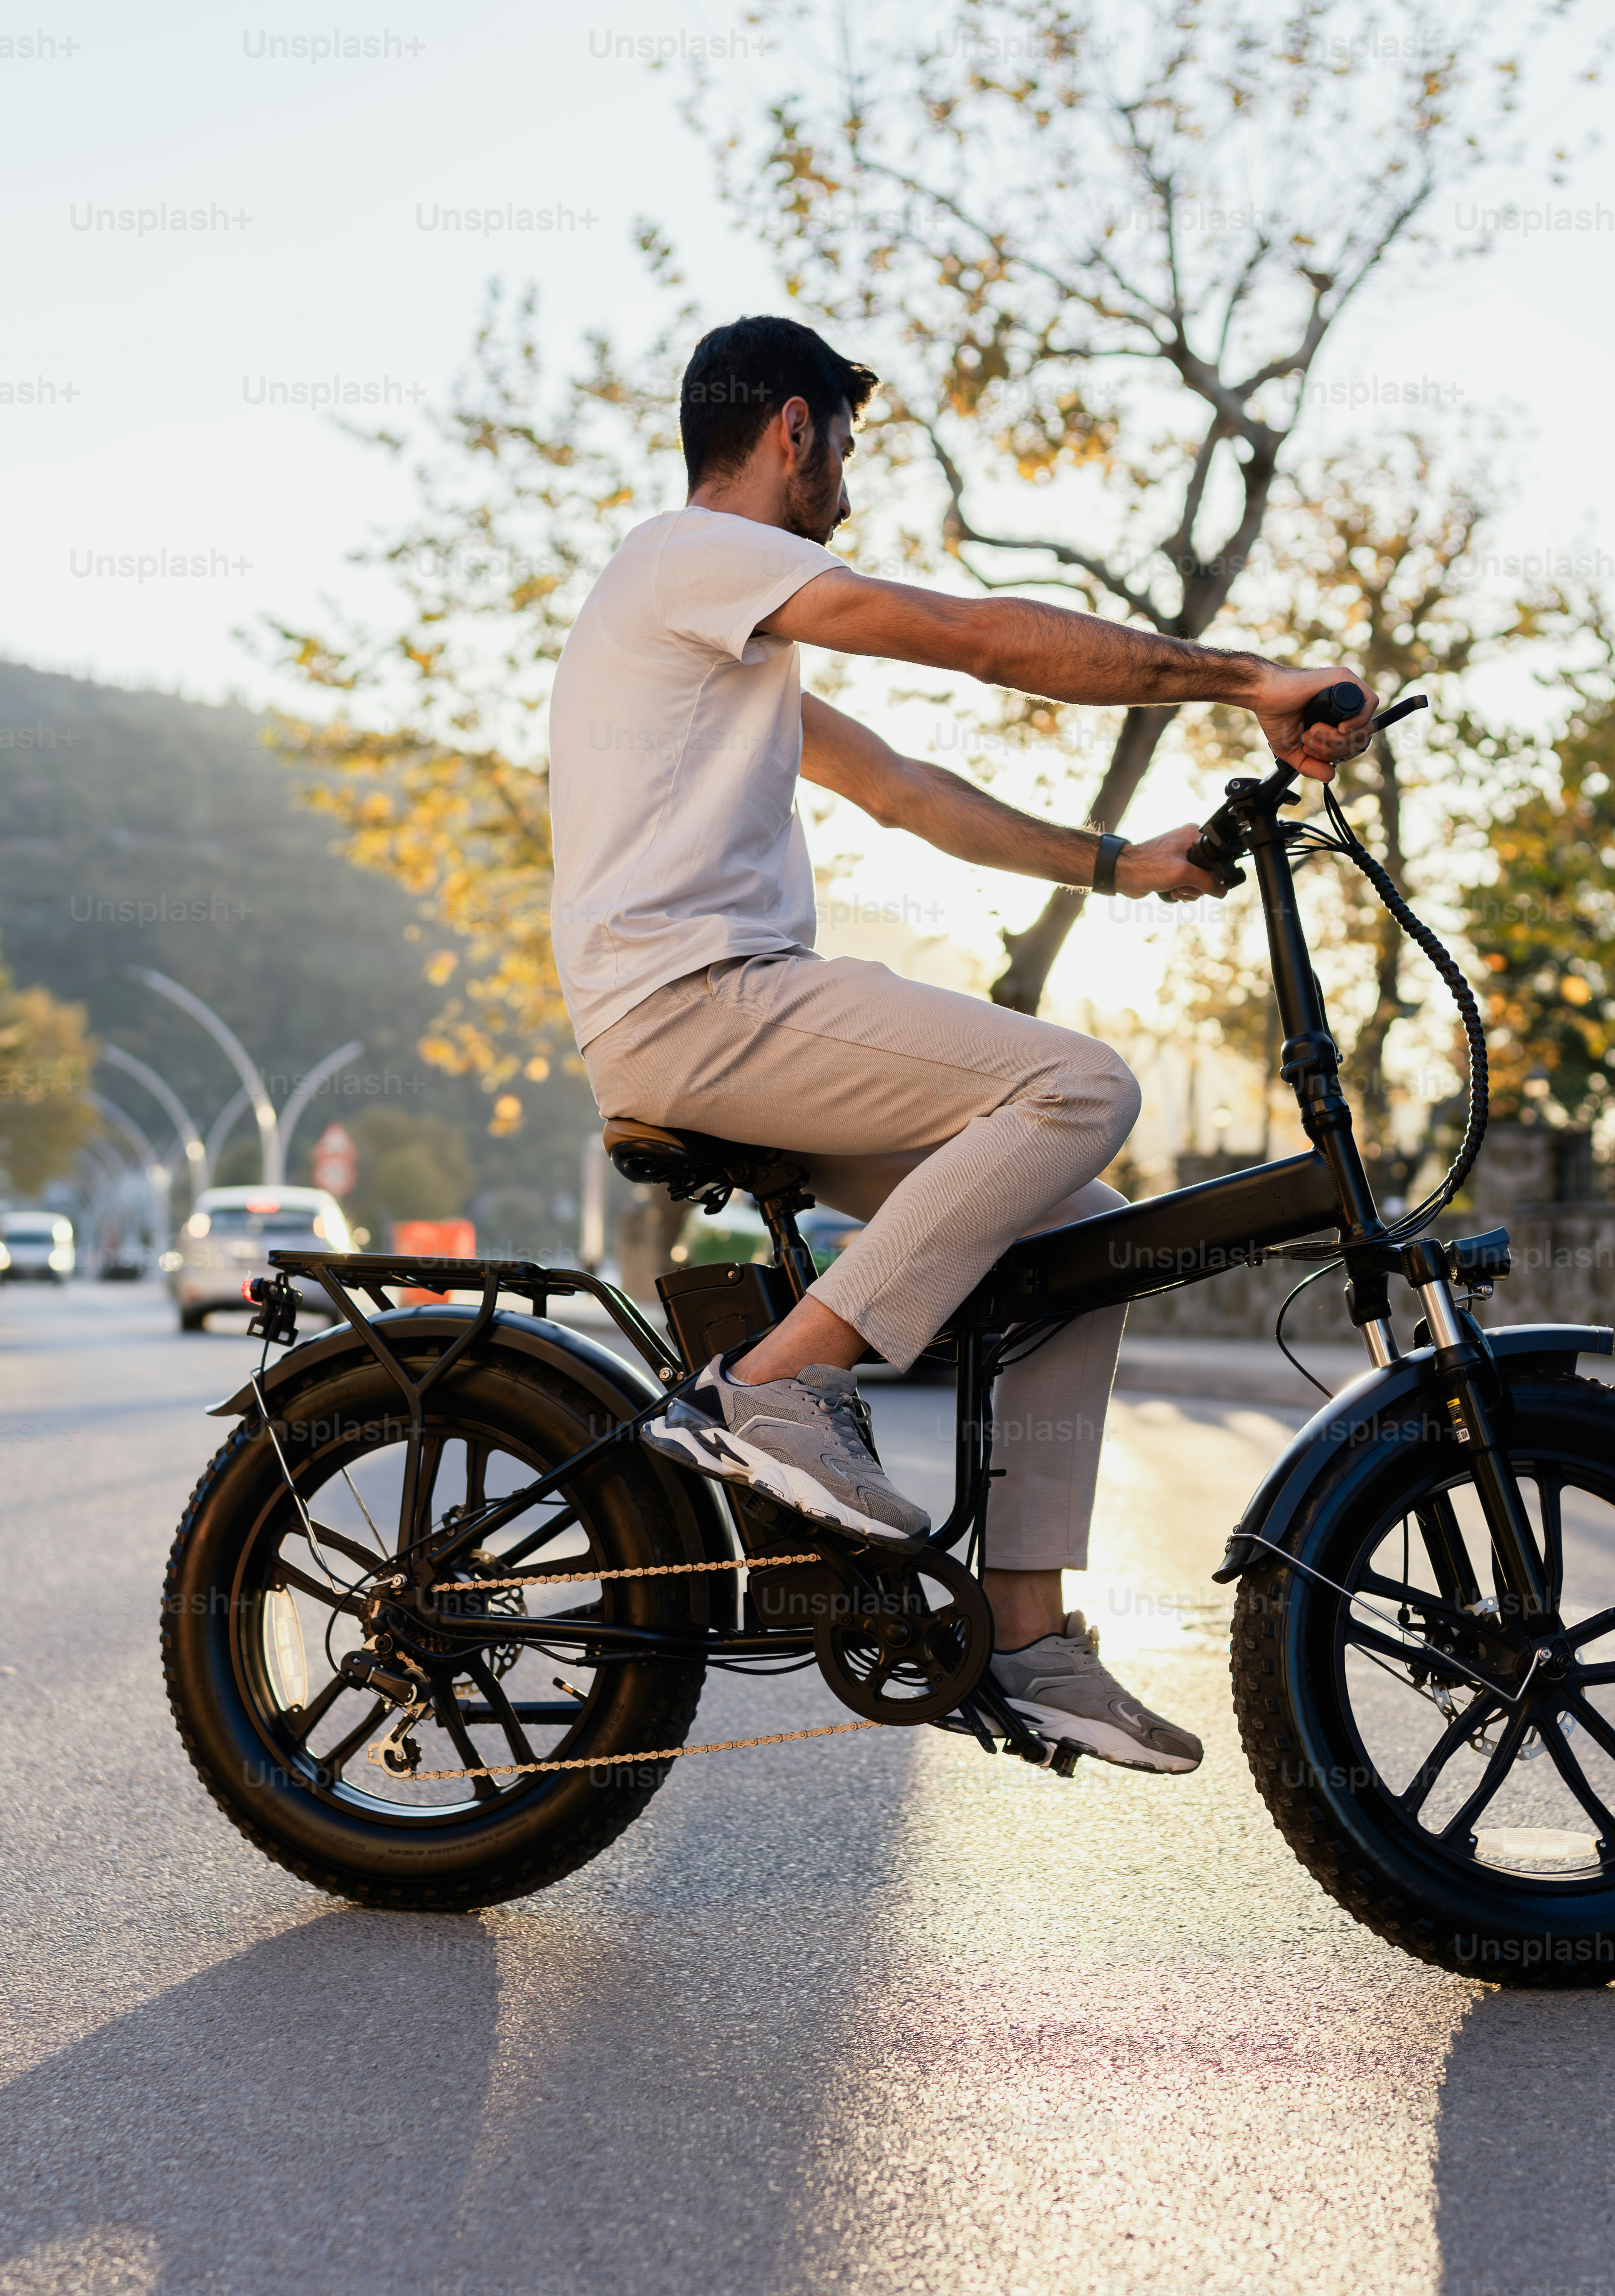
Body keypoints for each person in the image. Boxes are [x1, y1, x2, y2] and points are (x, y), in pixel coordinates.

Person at [546, 315, 1367, 1774]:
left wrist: (1122, 864)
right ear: (793, 429)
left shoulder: (721, 643)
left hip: (729, 1011)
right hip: (702, 1002)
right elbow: (978, 641)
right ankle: (773, 1391)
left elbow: (912, 793)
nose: (849, 487)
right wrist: (1250, 678)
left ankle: (1028, 1628)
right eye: (847, 448)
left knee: (1088, 1231)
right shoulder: (690, 558)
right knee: (1081, 1081)